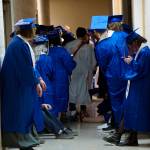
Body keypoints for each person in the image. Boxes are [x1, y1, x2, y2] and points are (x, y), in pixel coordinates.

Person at [1, 18, 43, 150]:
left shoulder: (18, 43)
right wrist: (36, 83)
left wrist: (36, 80)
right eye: (33, 29)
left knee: (20, 113)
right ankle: (22, 142)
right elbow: (25, 69)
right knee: (20, 113)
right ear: (28, 31)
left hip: (17, 85)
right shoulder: (19, 45)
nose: (35, 32)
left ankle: (25, 141)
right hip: (17, 87)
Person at [95, 15, 131, 142]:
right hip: (130, 72)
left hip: (114, 75)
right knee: (129, 100)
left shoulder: (101, 45)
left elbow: (102, 65)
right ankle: (128, 130)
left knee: (116, 103)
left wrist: (109, 73)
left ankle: (119, 131)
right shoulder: (125, 36)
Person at [117, 31, 149, 146]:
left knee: (135, 111)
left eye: (130, 46)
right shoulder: (142, 52)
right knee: (131, 110)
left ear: (135, 43)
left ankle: (129, 138)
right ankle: (131, 138)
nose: (130, 49)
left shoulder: (145, 52)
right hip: (139, 86)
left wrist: (131, 62)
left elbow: (140, 70)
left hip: (141, 87)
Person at [65, 27, 96, 121]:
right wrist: (91, 70)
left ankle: (73, 111)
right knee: (84, 91)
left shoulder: (68, 45)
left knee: (72, 90)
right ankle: (83, 111)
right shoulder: (89, 47)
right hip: (84, 72)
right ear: (84, 35)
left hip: (72, 72)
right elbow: (93, 61)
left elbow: (65, 60)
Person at [47, 29, 76, 118]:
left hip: (49, 78)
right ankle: (58, 121)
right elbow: (69, 65)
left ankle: (52, 120)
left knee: (51, 98)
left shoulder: (46, 51)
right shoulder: (62, 51)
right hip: (60, 78)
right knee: (61, 97)